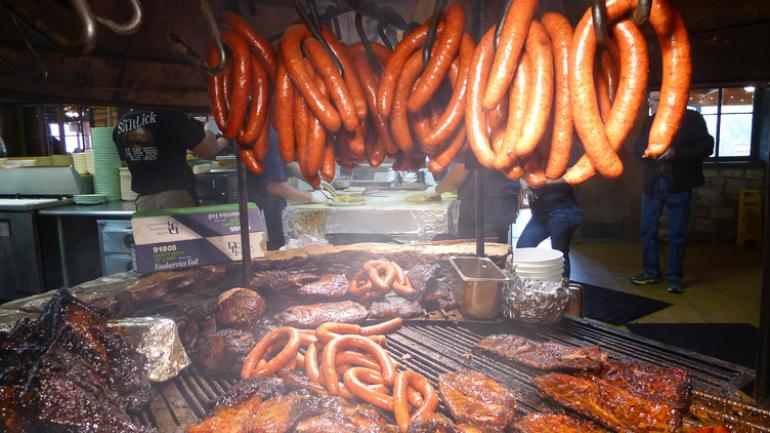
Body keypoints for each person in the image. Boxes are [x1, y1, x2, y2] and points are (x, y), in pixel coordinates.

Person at [630, 96, 714, 293]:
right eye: (649, 99)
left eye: (654, 99)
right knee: (647, 231)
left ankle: (674, 278)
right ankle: (651, 272)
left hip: (680, 185)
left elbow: (706, 146)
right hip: (653, 186)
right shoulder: (650, 121)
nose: (649, 103)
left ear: (668, 98)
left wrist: (677, 153)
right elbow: (637, 149)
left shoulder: (691, 119)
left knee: (677, 233)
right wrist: (647, 153)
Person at [113, 110, 228, 211]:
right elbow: (210, 151)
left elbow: (130, 162)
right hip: (175, 198)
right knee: (180, 230)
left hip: (144, 202)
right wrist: (210, 129)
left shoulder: (122, 124)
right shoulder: (171, 115)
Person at [246, 129, 329, 250]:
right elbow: (275, 186)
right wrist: (312, 197)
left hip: (274, 206)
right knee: (273, 254)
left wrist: (314, 180)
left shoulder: (279, 133)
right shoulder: (270, 135)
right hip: (261, 210)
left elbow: (288, 164)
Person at [425, 154, 520, 243]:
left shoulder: (468, 142)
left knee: (476, 249)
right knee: (495, 248)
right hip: (504, 200)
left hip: (483, 204)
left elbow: (459, 175)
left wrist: (436, 190)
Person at [516, 181, 583, 278]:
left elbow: (569, 177)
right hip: (539, 214)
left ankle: (562, 286)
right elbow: (522, 177)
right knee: (523, 247)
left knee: (560, 254)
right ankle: (530, 282)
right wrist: (525, 183)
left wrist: (536, 182)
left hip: (562, 211)